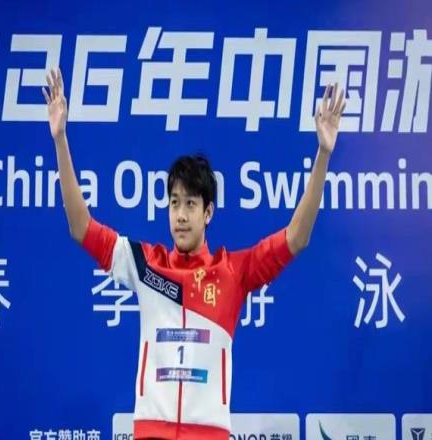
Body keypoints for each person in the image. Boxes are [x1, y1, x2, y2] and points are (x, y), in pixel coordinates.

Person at [42, 68, 346, 440]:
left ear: (208, 212)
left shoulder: (234, 271)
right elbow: (81, 227)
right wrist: (60, 139)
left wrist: (323, 154)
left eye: (190, 203)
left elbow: (297, 237)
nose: (181, 215)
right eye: (174, 203)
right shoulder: (145, 264)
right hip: (150, 433)